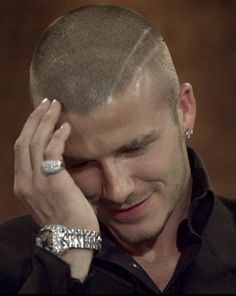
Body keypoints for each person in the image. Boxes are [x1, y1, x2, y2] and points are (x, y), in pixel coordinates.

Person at [0, 4, 236, 294]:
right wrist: (66, 257)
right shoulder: (10, 267)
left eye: (134, 149)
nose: (117, 190)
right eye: (82, 163)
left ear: (184, 109)